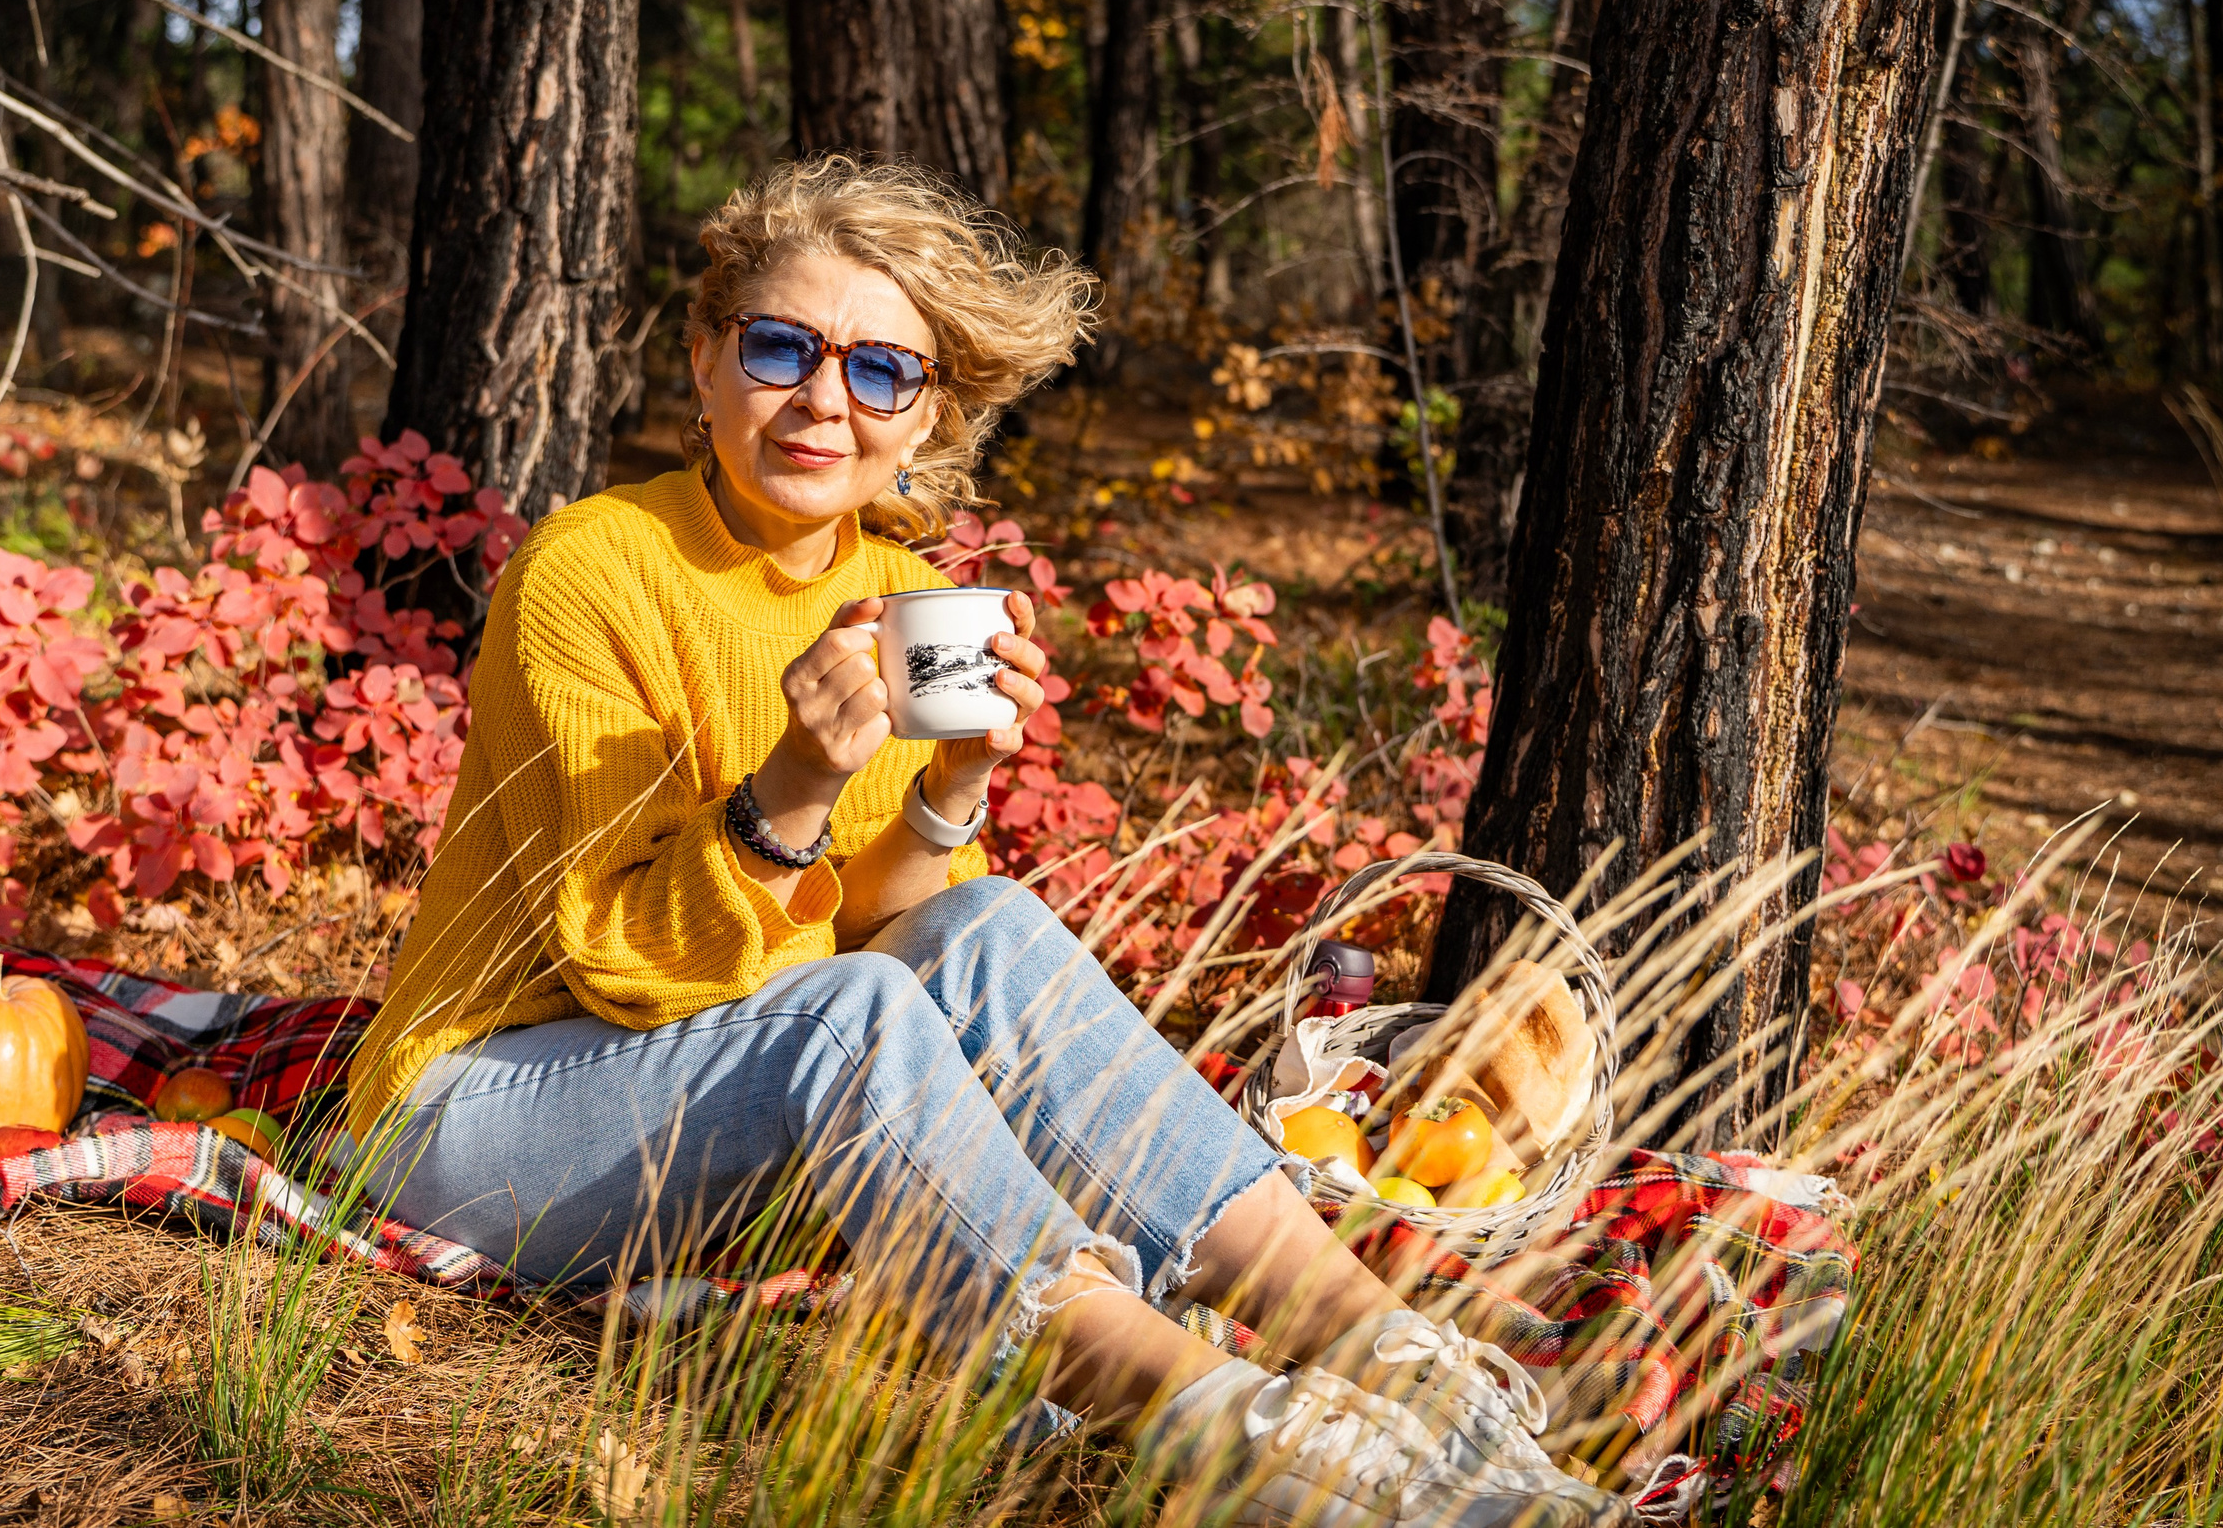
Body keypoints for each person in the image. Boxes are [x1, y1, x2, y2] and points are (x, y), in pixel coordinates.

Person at [346, 156, 1619, 1526]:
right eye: (782, 347)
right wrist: (791, 784)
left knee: (985, 925)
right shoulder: (589, 572)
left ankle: (1400, 1368)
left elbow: (888, 925)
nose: (826, 397)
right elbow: (628, 972)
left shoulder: (898, 592)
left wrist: (951, 785)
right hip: (472, 1116)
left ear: (924, 414)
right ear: (709, 362)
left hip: (717, 1103)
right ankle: (1230, 1431)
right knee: (848, 1019)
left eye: (881, 370)